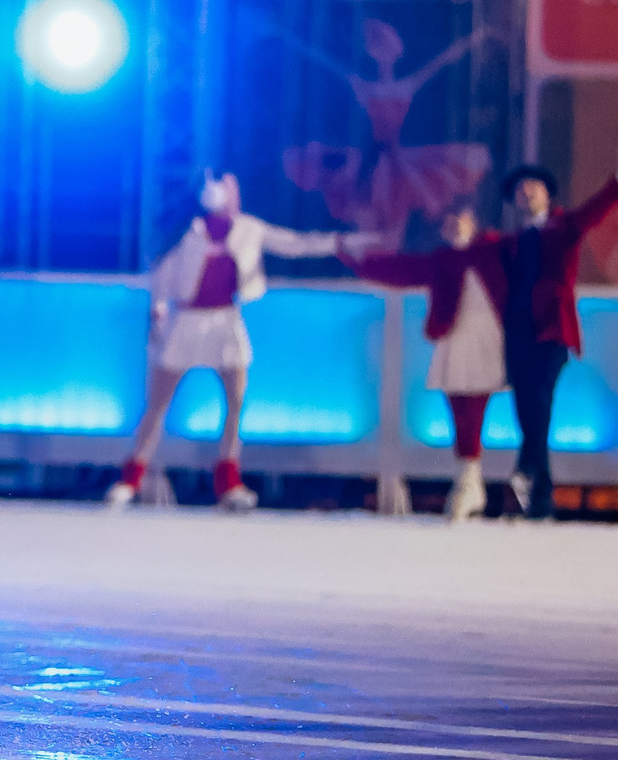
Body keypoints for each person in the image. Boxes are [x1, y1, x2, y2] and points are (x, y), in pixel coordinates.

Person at [111, 173, 352, 513]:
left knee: (236, 400)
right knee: (158, 404)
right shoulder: (186, 231)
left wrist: (342, 243)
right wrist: (157, 314)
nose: (230, 193)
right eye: (224, 187)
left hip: (226, 322)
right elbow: (162, 275)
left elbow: (295, 243)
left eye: (231, 187)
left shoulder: (248, 228)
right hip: (186, 322)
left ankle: (228, 481)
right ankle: (131, 479)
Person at [343, 205, 505, 522]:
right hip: (453, 337)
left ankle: (470, 481)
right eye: (449, 222)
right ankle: (468, 480)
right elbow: (403, 270)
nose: (455, 226)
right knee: (459, 409)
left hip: (486, 337)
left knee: (474, 408)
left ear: (474, 222)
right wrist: (359, 263)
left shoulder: (494, 252)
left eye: (460, 219)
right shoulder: (442, 259)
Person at [492, 163, 618, 521]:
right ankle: (539, 496)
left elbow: (594, 211)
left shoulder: (564, 227)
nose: (526, 191)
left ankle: (525, 472)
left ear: (548, 193)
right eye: (520, 188)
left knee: (540, 402)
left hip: (551, 332)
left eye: (533, 185)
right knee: (527, 410)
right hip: (518, 335)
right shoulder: (511, 242)